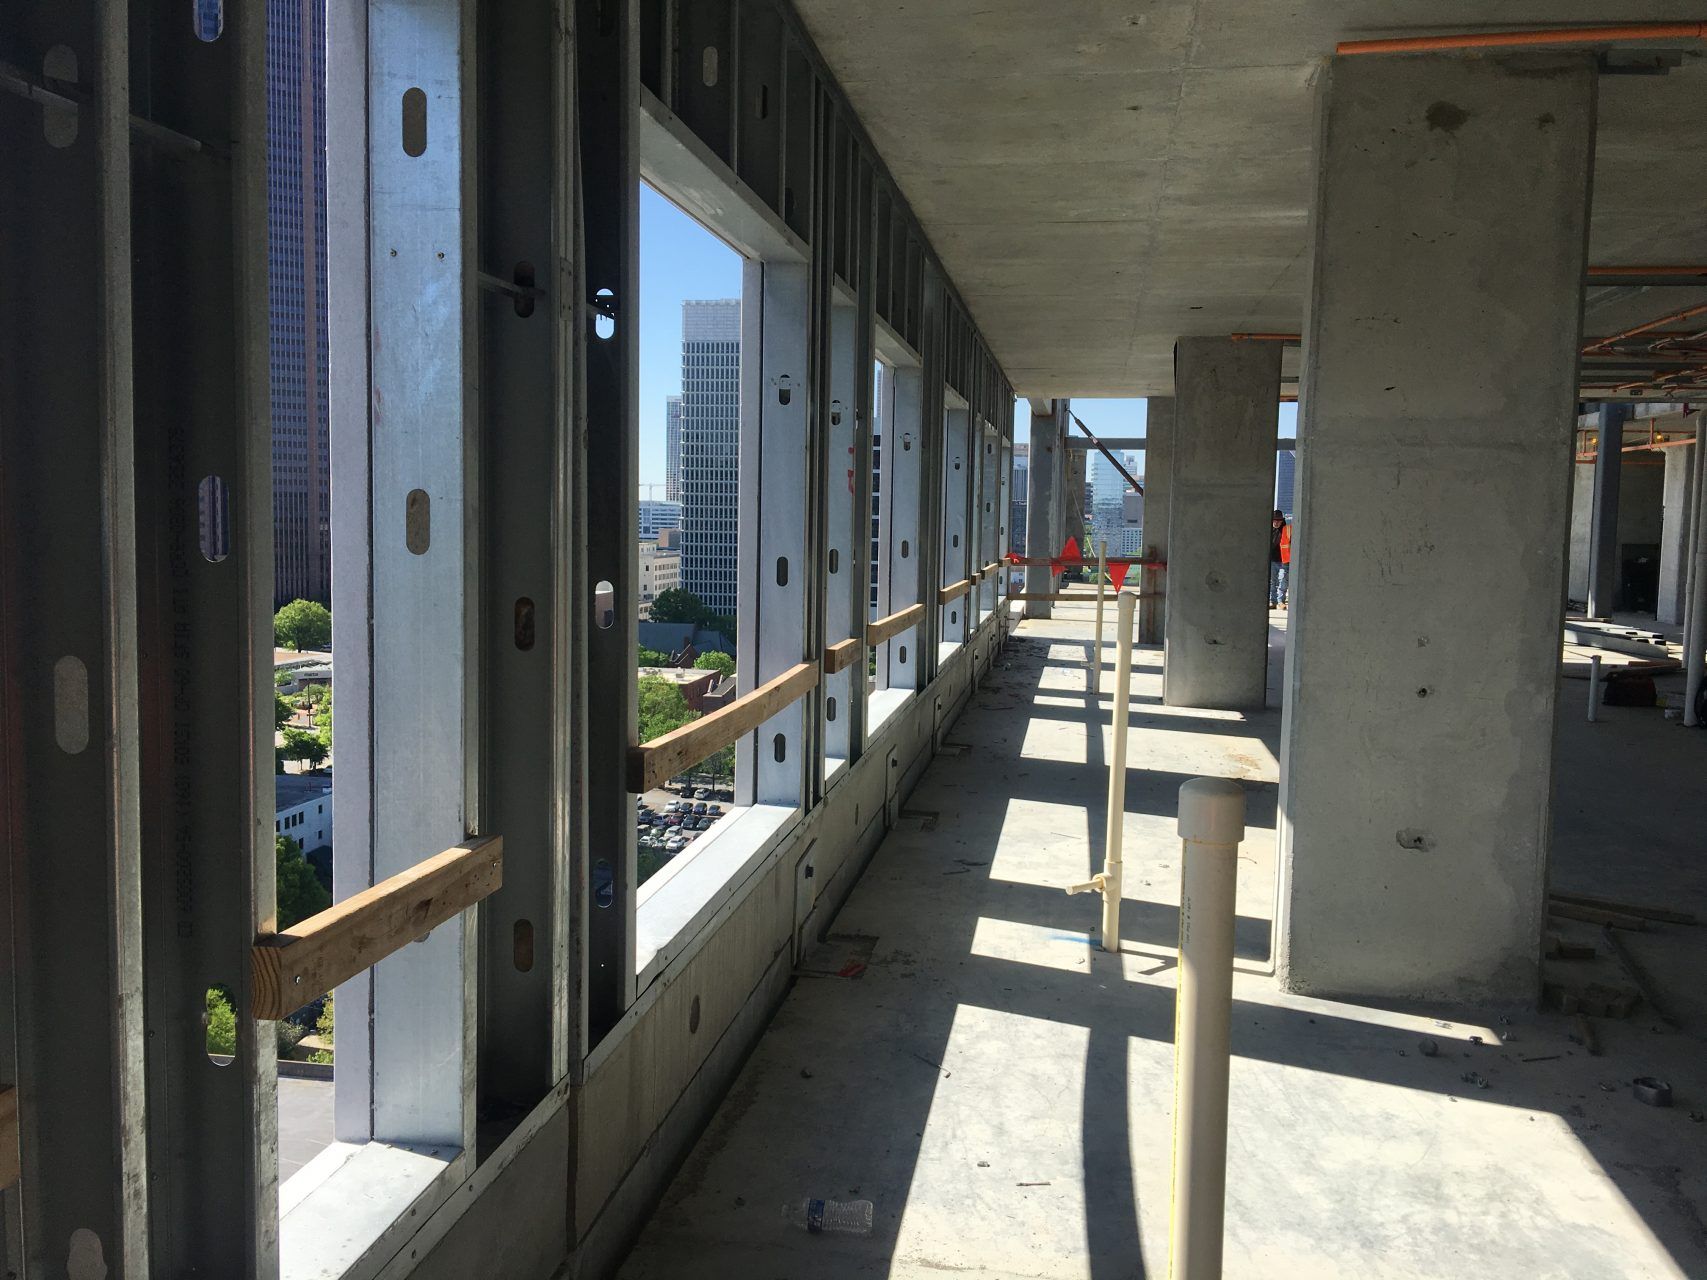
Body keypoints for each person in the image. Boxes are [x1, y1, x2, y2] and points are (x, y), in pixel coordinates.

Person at [1269, 510, 1292, 609]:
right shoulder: (1268, 529)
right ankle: (1272, 601)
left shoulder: (1287, 529)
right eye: (1274, 520)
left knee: (1283, 581)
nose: (1276, 522)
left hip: (1284, 560)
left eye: (1278, 520)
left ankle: (1280, 601)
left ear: (1282, 521)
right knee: (1272, 581)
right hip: (1272, 560)